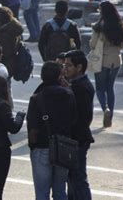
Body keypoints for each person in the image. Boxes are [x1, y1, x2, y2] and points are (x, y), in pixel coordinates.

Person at [27, 61, 77, 200]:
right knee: (60, 190)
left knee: (42, 192)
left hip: (42, 146)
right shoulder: (68, 95)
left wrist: (33, 147)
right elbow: (74, 119)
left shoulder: (37, 97)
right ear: (59, 76)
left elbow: (32, 128)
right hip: (63, 147)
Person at [63, 50, 95, 200]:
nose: (65, 68)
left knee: (78, 180)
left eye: (68, 65)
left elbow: (82, 117)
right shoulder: (75, 84)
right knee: (73, 180)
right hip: (76, 140)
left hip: (77, 140)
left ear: (79, 67)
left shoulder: (81, 87)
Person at [89, 1, 123, 128]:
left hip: (102, 60)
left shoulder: (99, 27)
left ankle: (105, 109)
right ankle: (111, 115)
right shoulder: (120, 26)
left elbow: (92, 44)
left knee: (100, 88)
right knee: (110, 88)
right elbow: (122, 45)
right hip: (116, 60)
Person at [0, 7, 24, 79]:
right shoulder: (14, 28)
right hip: (13, 60)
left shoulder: (4, 33)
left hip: (5, 62)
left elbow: (5, 51)